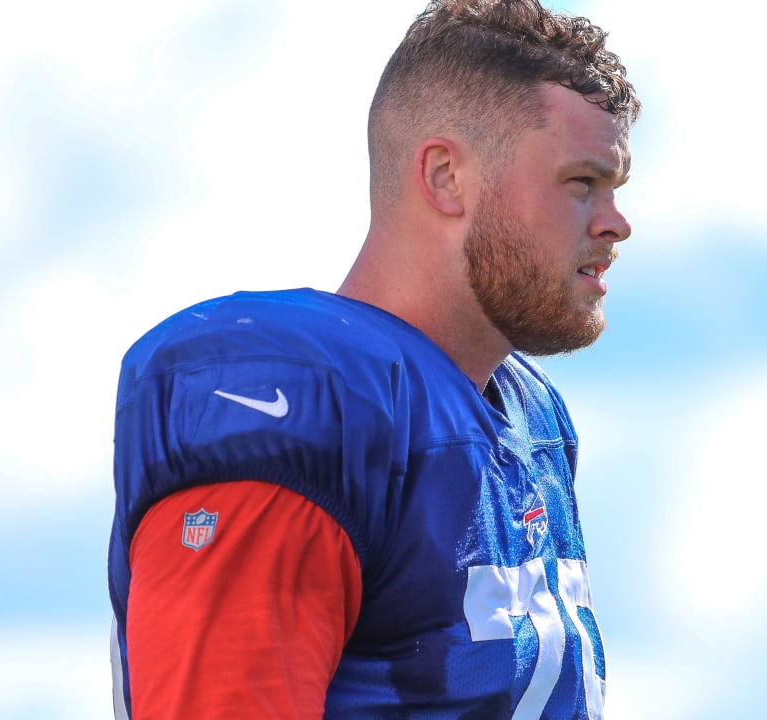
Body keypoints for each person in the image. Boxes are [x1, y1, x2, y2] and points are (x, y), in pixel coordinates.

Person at [107, 0, 639, 717]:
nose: (616, 223)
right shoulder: (302, 395)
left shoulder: (527, 416)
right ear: (447, 177)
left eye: (614, 188)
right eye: (581, 182)